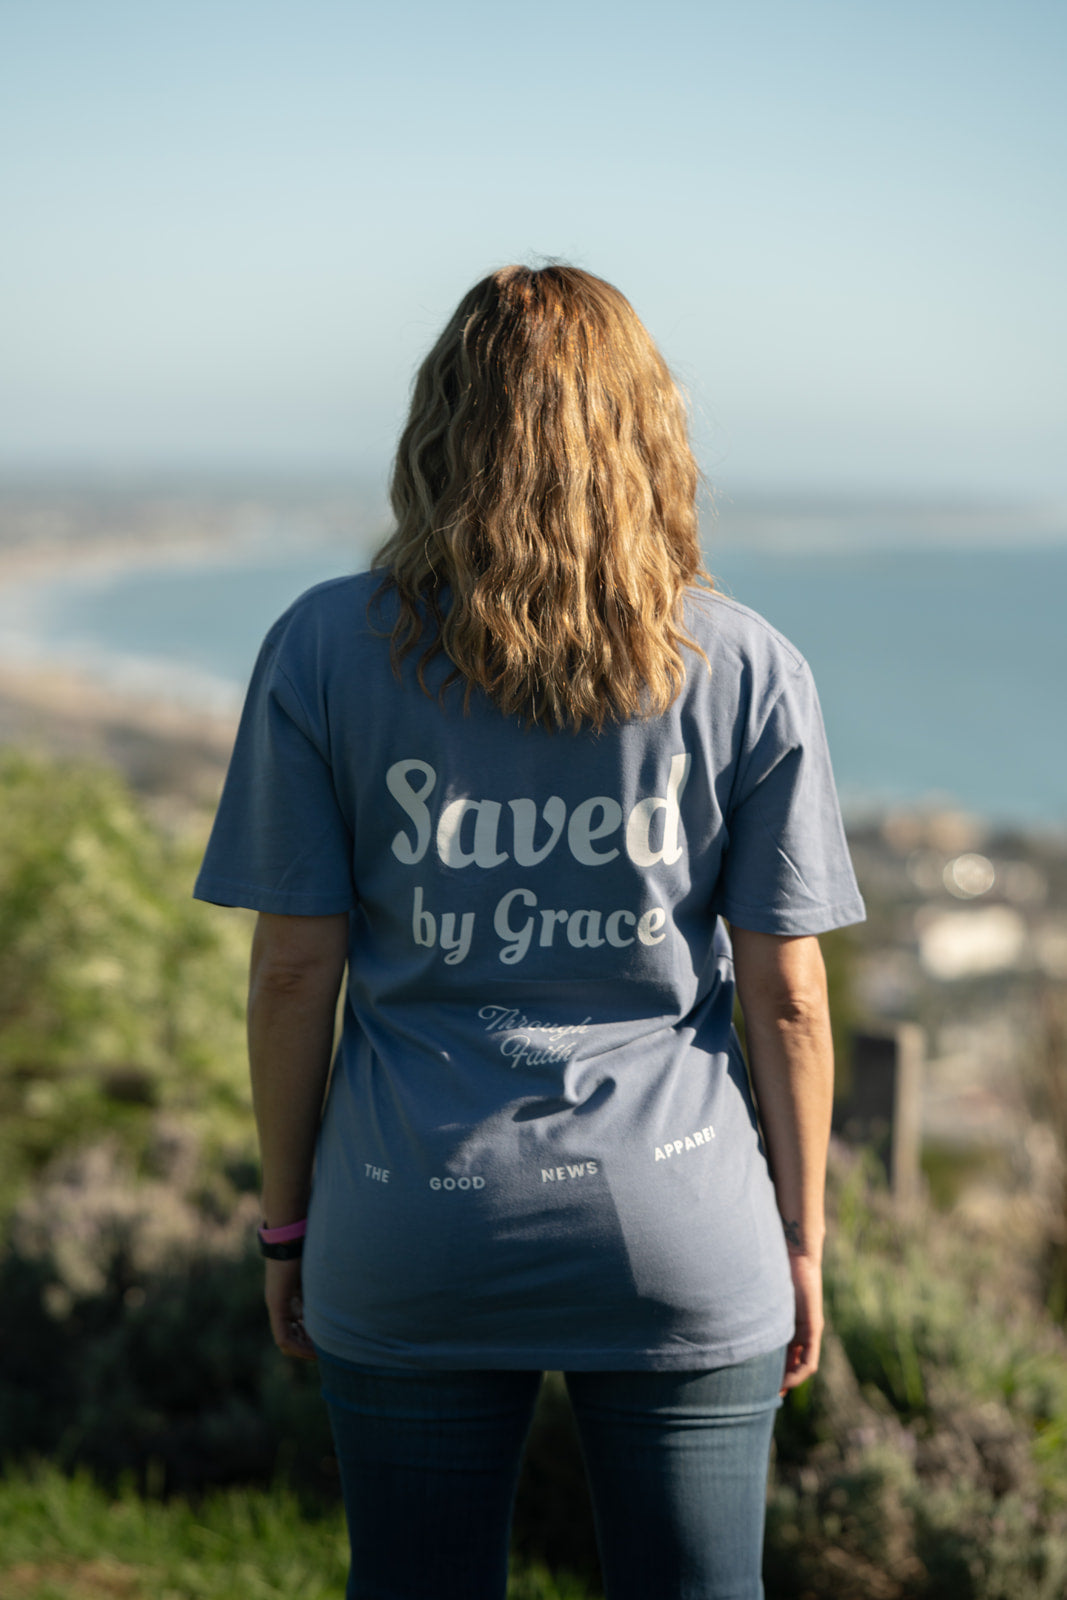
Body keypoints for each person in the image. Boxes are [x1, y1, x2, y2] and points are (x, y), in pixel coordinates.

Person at [194, 264, 865, 1600]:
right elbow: (788, 998)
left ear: (439, 430)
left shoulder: (323, 649)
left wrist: (287, 1228)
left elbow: (289, 975)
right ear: (650, 437)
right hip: (681, 1217)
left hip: (406, 1215)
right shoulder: (744, 666)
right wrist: (801, 1235)